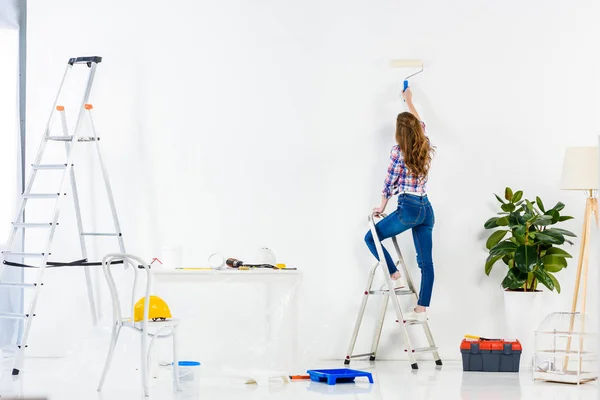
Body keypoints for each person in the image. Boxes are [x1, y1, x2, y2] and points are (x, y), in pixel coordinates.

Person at [364, 87, 435, 321]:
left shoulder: (398, 152)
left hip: (409, 209)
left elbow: (389, 182)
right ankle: (421, 309)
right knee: (426, 262)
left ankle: (394, 275)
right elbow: (420, 123)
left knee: (369, 238)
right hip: (426, 209)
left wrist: (381, 207)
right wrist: (409, 101)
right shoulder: (423, 142)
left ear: (398, 133)